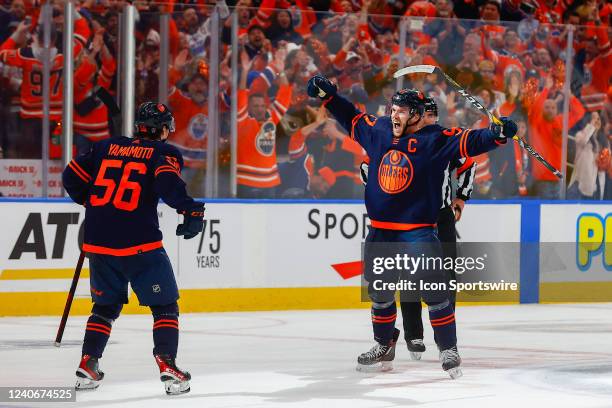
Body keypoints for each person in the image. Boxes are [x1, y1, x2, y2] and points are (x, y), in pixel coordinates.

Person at [307, 75, 517, 378]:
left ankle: (448, 348)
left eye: (402, 111)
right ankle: (383, 343)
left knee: (434, 290)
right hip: (380, 230)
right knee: (380, 292)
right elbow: (352, 117)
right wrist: (329, 97)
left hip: (418, 231)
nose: (395, 114)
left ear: (417, 115)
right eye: (394, 109)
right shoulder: (379, 131)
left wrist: (497, 134)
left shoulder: (435, 138)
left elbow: (470, 140)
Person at [62, 102, 205, 395]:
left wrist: (88, 199)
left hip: (98, 241)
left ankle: (88, 364)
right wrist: (191, 211)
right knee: (164, 306)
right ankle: (168, 366)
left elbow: (71, 176)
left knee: (104, 307)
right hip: (140, 244)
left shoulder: (105, 146)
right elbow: (168, 184)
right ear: (164, 129)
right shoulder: (164, 153)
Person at [359, 97, 477, 359]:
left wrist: (461, 198)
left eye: (434, 115)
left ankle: (446, 341)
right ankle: (414, 334)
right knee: (407, 278)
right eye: (427, 115)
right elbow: (370, 167)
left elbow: (469, 164)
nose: (430, 119)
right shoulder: (396, 140)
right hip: (408, 218)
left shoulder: (441, 141)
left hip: (440, 216)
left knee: (443, 278)